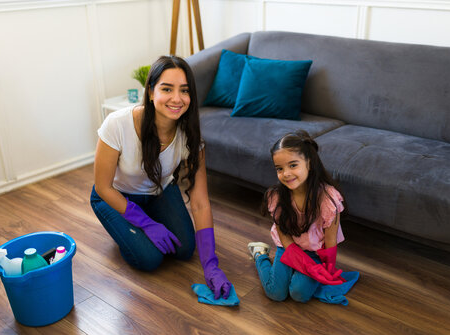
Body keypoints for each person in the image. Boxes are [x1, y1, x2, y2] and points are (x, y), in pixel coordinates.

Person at [90, 55, 231, 299]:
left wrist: (211, 264)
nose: (177, 99)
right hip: (114, 196)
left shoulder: (190, 136)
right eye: (167, 89)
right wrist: (147, 223)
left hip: (157, 192)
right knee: (149, 259)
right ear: (152, 91)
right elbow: (103, 187)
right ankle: (124, 230)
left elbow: (200, 202)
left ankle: (140, 224)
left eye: (184, 91)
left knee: (186, 249)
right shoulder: (117, 124)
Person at [247, 130, 346, 303]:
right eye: (279, 168)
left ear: (309, 163)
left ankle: (292, 272)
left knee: (299, 294)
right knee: (275, 293)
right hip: (288, 247)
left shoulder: (328, 198)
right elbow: (283, 234)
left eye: (293, 165)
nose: (286, 173)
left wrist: (328, 269)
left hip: (314, 252)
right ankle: (260, 254)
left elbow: (330, 240)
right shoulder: (276, 196)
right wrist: (298, 261)